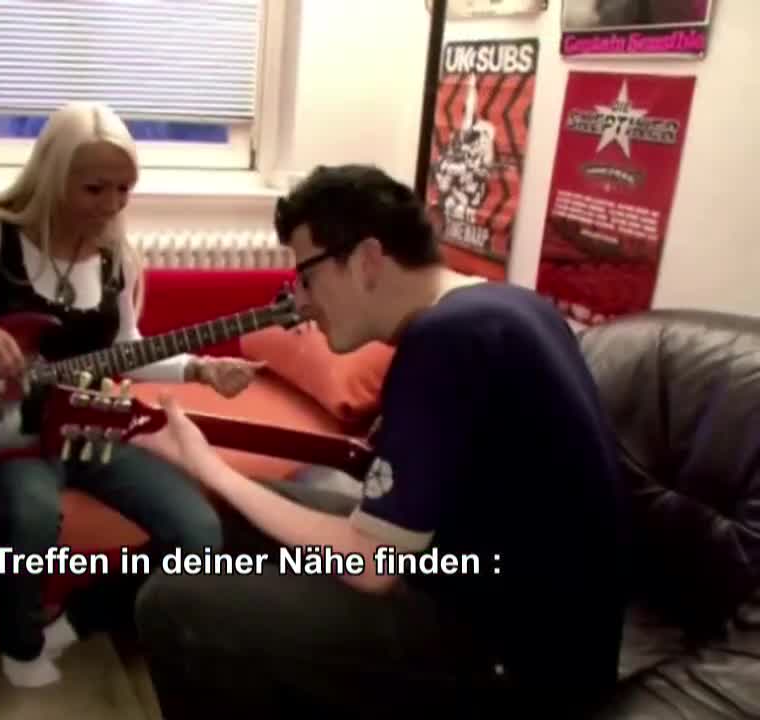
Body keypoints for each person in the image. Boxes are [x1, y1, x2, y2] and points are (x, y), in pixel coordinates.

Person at [132, 164, 630, 717]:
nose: (301, 302)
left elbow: (372, 566)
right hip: (494, 585)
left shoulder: (446, 339)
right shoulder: (506, 306)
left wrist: (206, 464)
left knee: (170, 604)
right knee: (247, 512)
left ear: (368, 259)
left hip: (513, 653)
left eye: (307, 276)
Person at [0, 101, 265, 688]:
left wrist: (201, 369)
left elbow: (128, 349)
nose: (112, 205)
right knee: (29, 512)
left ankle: (76, 620)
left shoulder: (116, 255)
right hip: (7, 421)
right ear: (52, 175)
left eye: (124, 189)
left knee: (198, 532)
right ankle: (17, 642)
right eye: (95, 188)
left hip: (91, 423)